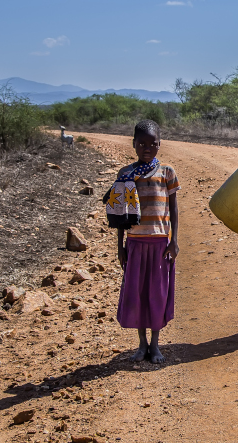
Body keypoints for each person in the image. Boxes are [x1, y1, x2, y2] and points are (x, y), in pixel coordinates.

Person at [105, 119, 181, 363]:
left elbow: (174, 209)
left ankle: (156, 344)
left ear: (159, 145)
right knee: (137, 295)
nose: (147, 148)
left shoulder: (167, 172)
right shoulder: (126, 174)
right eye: (142, 144)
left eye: (152, 144)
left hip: (160, 243)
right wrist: (120, 247)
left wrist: (174, 241)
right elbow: (120, 214)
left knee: (156, 295)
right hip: (135, 243)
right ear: (134, 144)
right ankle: (141, 345)